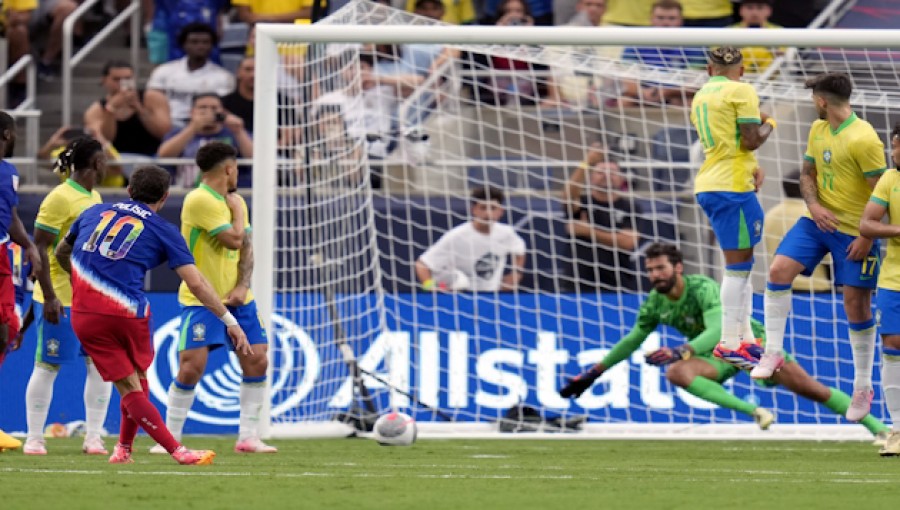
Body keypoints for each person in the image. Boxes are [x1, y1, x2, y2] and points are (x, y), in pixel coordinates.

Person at [559, 243, 890, 442]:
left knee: (813, 391)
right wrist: (593, 373)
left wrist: (681, 349)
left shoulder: (701, 287)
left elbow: (719, 330)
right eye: (650, 270)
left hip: (750, 346)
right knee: (677, 373)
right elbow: (633, 340)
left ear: (678, 268)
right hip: (717, 357)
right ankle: (755, 411)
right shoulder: (654, 302)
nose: (655, 275)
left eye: (660, 268)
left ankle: (881, 430)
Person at [55, 164, 251, 465]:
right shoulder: (163, 230)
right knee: (135, 383)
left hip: (85, 314)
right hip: (128, 313)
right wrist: (230, 321)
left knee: (130, 384)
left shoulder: (92, 212)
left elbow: (60, 253)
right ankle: (178, 450)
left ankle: (123, 449)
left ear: (130, 190)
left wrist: (80, 281)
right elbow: (195, 282)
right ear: (164, 197)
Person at [752, 73, 886, 426]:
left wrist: (867, 237)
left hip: (855, 232)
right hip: (818, 223)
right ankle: (774, 352)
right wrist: (813, 206)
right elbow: (807, 174)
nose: (814, 102)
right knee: (778, 271)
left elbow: (883, 192)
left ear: (822, 100)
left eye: (815, 97)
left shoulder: (865, 138)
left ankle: (862, 386)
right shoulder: (818, 129)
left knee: (855, 306)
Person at [150, 142, 276, 454]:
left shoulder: (235, 201)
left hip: (238, 298)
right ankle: (170, 439)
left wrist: (244, 286)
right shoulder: (200, 199)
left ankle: (248, 437)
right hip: (202, 299)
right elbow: (234, 240)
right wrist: (236, 211)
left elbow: (247, 247)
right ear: (229, 169)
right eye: (236, 169)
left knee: (257, 360)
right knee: (192, 366)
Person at [23, 137, 112, 456]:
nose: (107, 166)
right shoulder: (59, 198)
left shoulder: (95, 196)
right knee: (48, 364)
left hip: (92, 299)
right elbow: (39, 248)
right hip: (60, 297)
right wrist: (47, 296)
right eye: (105, 160)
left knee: (100, 366)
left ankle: (93, 437)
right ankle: (34, 437)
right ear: (97, 163)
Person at [689, 46, 774, 366]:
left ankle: (747, 339)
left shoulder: (700, 96)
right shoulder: (742, 89)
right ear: (741, 69)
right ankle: (728, 341)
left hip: (712, 182)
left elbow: (732, 144)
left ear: (709, 69)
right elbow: (751, 139)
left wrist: (751, 163)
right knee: (737, 268)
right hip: (732, 188)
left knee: (745, 264)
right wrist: (772, 123)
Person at [0, 110, 42, 453]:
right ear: (5, 134)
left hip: (3, 253)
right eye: (14, 133)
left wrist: (28, 246)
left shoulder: (9, 173)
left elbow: (10, 215)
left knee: (8, 328)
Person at [860, 122, 900, 455]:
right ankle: (898, 429)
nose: (895, 152)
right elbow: (867, 223)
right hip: (894, 278)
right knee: (892, 342)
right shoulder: (889, 179)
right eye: (895, 145)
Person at [415, 186, 526, 292]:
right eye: (483, 208)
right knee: (461, 281)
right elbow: (422, 264)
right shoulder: (457, 236)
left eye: (493, 208)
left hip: (491, 296)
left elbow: (519, 250)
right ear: (474, 210)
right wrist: (429, 288)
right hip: (459, 295)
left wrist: (516, 273)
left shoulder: (506, 233)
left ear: (501, 211)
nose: (488, 213)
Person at [563, 143, 642, 292]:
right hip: (580, 282)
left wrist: (588, 231)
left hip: (618, 282)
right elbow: (568, 195)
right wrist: (587, 161)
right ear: (591, 177)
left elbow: (627, 242)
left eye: (612, 172)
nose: (607, 176)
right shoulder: (583, 204)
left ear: (621, 178)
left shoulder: (630, 207)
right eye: (601, 172)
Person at [617, 0, 706, 107]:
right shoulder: (637, 42)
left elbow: (695, 83)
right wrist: (643, 93)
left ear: (681, 20)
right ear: (651, 19)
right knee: (624, 101)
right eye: (660, 18)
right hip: (644, 95)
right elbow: (628, 79)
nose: (666, 23)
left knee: (691, 102)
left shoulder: (693, 45)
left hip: (678, 95)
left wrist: (665, 92)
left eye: (671, 18)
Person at [146, 23, 235, 126]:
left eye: (205, 42)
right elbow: (152, 103)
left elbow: (223, 109)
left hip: (207, 126)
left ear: (212, 46)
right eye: (194, 42)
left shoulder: (224, 77)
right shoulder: (164, 71)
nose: (200, 46)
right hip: (168, 124)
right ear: (184, 45)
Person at [157, 94, 253, 188]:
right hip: (185, 191)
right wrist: (193, 128)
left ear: (223, 111)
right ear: (192, 112)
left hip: (226, 194)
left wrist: (239, 131)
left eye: (214, 108)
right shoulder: (178, 133)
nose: (208, 112)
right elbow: (164, 155)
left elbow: (254, 157)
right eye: (203, 107)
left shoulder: (234, 132)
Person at [83, 60, 172, 159]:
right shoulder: (96, 110)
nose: (122, 83)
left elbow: (165, 134)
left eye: (127, 78)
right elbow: (104, 140)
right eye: (116, 79)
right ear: (104, 80)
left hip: (152, 157)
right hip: (116, 160)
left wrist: (140, 110)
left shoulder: (151, 98)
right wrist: (111, 109)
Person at [763, 170, 831, 293]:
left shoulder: (770, 216)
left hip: (779, 284)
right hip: (815, 288)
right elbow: (829, 259)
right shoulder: (815, 215)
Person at [730, 0, 782, 74]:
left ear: (769, 11)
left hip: (773, 79)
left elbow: (785, 57)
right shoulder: (727, 31)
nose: (754, 13)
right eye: (749, 8)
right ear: (741, 10)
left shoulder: (780, 32)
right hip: (734, 77)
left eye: (760, 8)